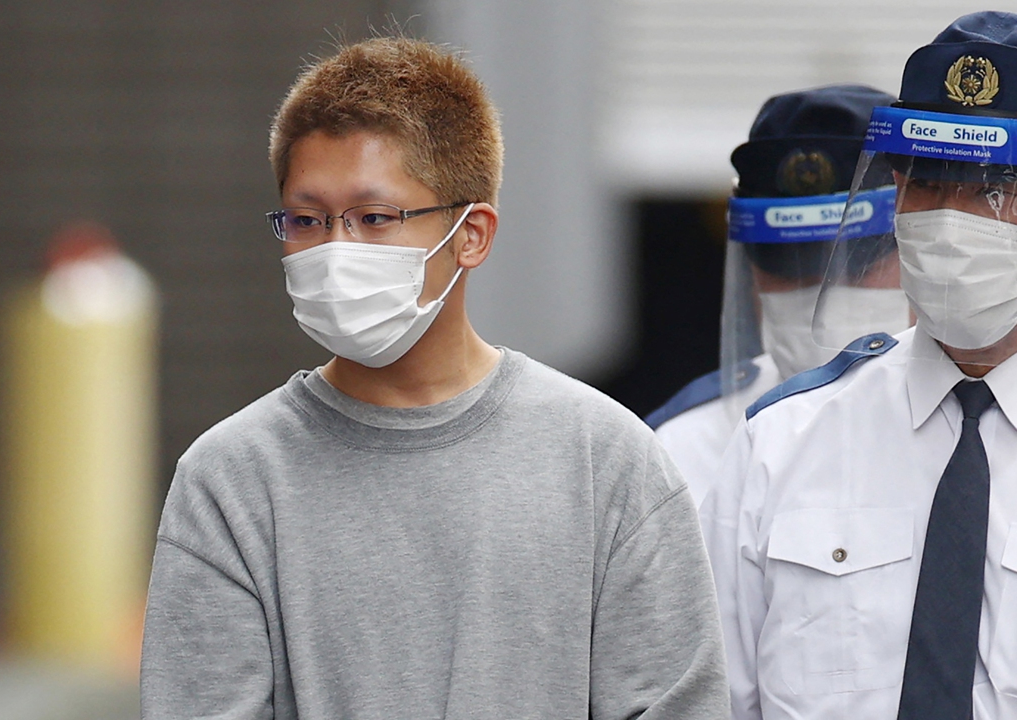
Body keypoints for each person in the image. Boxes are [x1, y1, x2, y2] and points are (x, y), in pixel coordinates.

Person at [140, 36, 729, 720]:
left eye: (374, 218)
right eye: (306, 219)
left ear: (473, 234)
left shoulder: (606, 460)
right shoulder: (232, 481)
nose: (335, 249)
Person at [699, 11, 1017, 720]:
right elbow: (709, 700)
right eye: (928, 181)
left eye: (996, 187)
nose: (953, 215)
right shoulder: (783, 443)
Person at [646, 85, 908, 506]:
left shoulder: (977, 426)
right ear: (751, 269)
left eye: (856, 262)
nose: (820, 292)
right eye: (789, 265)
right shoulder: (680, 453)